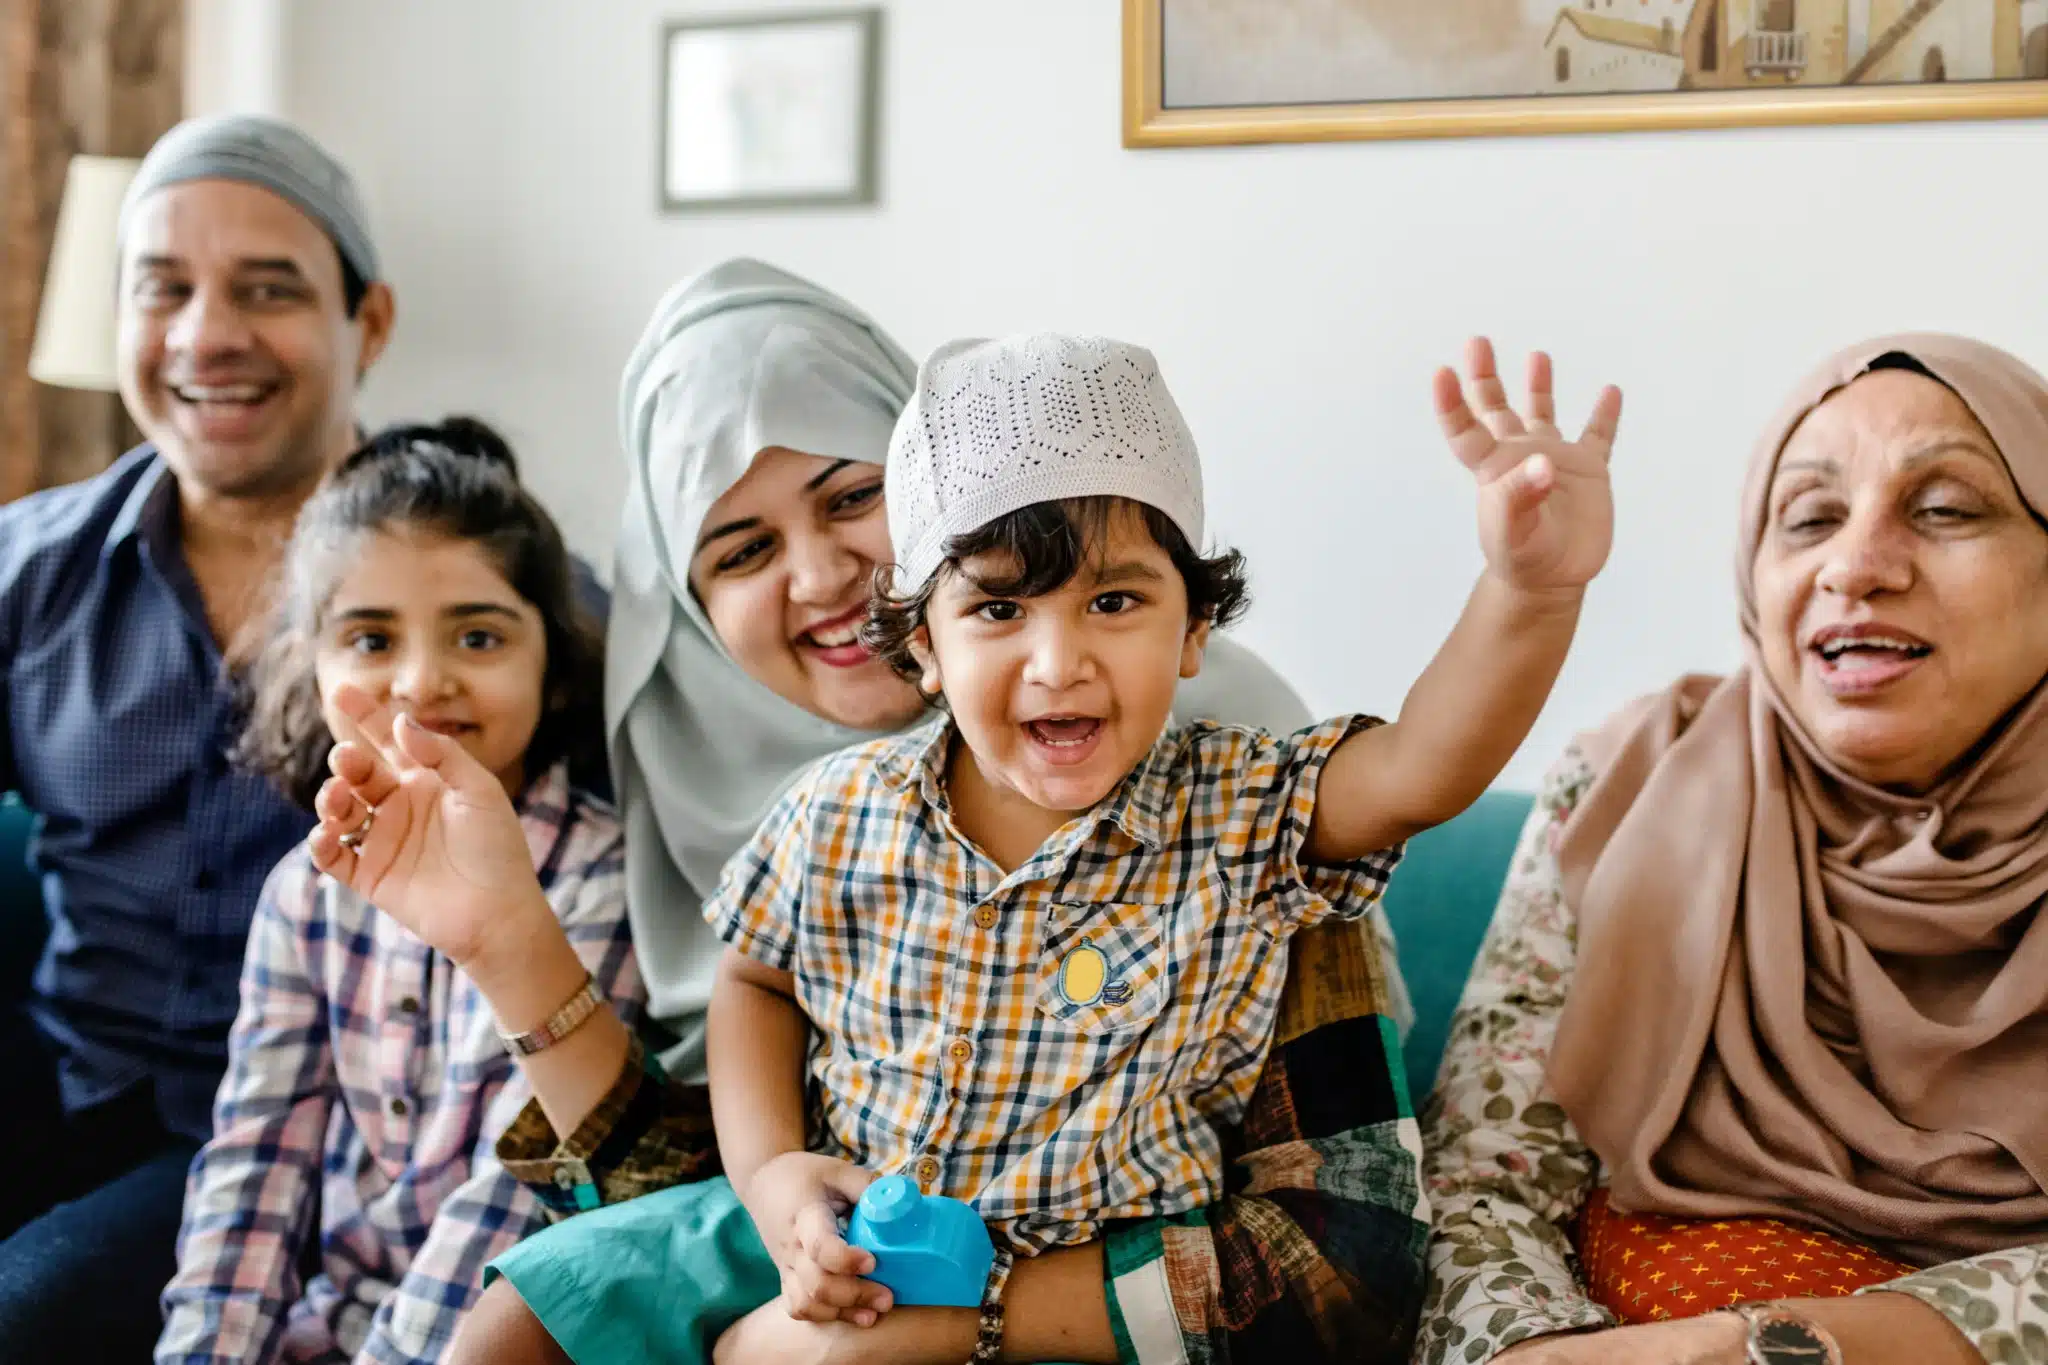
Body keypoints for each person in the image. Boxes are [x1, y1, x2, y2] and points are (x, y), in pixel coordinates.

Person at [326, 304, 1624, 1365]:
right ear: (924, 645)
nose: (1058, 659)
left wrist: (1530, 586)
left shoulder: (1244, 802)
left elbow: (1425, 766)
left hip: (1103, 1288)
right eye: (999, 611)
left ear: (1193, 631)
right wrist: (775, 1179)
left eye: (1115, 600)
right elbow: (756, 981)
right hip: (845, 1238)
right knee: (524, 1310)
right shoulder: (834, 816)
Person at [1416, 334, 2048, 1365]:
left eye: (1942, 510)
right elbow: (1480, 1182)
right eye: (1806, 519)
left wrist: (1766, 1348)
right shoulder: (1622, 783)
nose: (1855, 564)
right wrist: (1524, 1352)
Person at [0, 113, 394, 1359]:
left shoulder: (487, 600)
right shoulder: (26, 573)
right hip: (60, 1080)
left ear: (366, 323)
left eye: (265, 289)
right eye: (160, 288)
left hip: (315, 1136)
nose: (205, 333)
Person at [153, 419, 637, 1365]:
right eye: (371, 638)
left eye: (479, 634)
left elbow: (516, 1201)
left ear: (553, 660)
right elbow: (257, 1160)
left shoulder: (594, 876)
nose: (422, 680)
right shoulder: (307, 888)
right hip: (332, 1325)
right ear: (312, 667)